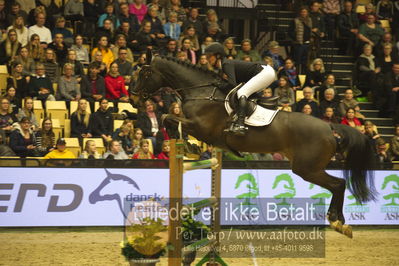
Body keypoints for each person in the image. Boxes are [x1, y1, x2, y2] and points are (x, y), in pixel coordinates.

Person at [204, 42, 276, 135]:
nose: (207, 59)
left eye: (209, 56)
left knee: (242, 92)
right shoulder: (223, 66)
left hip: (265, 72)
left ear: (218, 56)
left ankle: (240, 124)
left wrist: (218, 85)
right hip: (265, 72)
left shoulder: (226, 63)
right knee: (245, 93)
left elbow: (232, 84)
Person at [288, 7, 312, 73]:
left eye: (305, 12)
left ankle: (303, 77)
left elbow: (310, 30)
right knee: (297, 62)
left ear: (307, 13)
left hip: (307, 43)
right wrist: (296, 38)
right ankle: (296, 75)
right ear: (300, 12)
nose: (304, 13)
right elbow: (290, 32)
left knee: (305, 62)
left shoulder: (309, 20)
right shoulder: (295, 20)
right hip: (298, 44)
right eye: (303, 11)